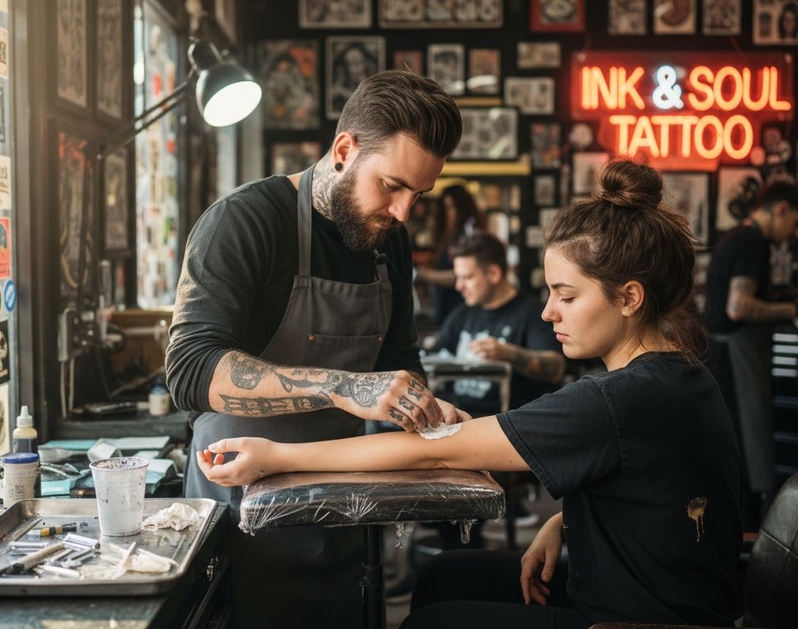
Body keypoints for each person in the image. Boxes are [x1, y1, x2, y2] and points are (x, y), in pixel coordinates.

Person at [198, 159, 744, 628]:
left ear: (628, 297)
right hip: (641, 590)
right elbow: (657, 495)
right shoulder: (682, 377)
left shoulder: (616, 400)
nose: (548, 311)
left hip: (632, 621)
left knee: (432, 622)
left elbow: (433, 449)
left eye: (566, 296)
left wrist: (274, 456)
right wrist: (563, 522)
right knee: (444, 573)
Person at [166, 70, 466, 629]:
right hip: (242, 499)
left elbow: (398, 360)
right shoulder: (245, 222)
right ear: (344, 149)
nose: (404, 213)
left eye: (418, 195)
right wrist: (345, 386)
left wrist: (425, 408)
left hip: (343, 500)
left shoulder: (387, 241)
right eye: (392, 186)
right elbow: (188, 370)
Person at [705, 181, 798, 526]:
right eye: (796, 223)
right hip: (735, 358)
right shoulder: (752, 241)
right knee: (747, 451)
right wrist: (794, 309)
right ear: (782, 208)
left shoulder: (734, 237)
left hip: (724, 357)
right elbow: (739, 307)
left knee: (738, 448)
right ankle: (746, 540)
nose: (792, 234)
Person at [434, 232, 565, 415]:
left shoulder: (533, 313)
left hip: (506, 422)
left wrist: (509, 353)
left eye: (468, 278)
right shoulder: (463, 313)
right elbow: (434, 357)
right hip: (458, 418)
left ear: (494, 274)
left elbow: (556, 368)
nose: (459, 286)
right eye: (458, 278)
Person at [416, 185, 485, 324]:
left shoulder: (467, 235)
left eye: (452, 207)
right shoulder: (446, 237)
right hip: (443, 309)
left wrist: (425, 274)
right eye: (446, 208)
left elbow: (460, 276)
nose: (449, 214)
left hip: (461, 310)